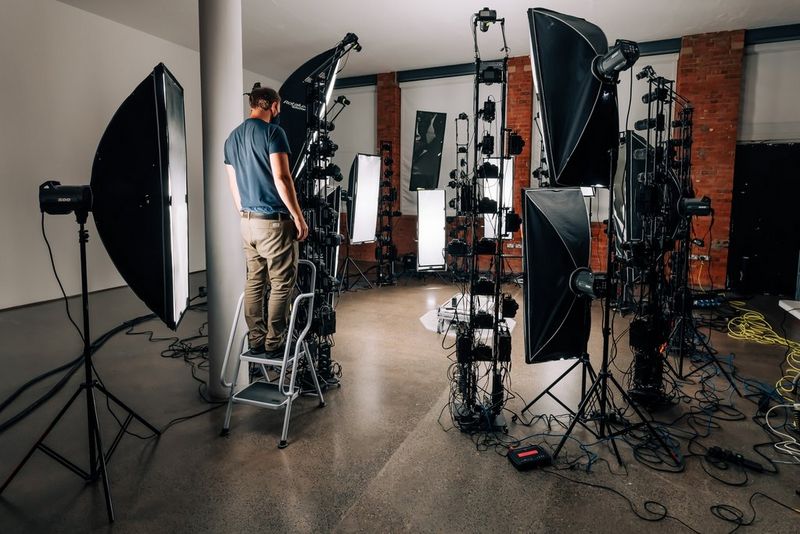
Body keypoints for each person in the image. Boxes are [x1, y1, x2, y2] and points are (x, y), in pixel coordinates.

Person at [224, 84, 309, 357]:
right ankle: (275, 343)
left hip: (247, 222)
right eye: (279, 106)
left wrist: (245, 215)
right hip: (273, 222)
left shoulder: (231, 138)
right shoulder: (274, 132)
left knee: (254, 281)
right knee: (282, 282)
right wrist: (298, 216)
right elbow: (282, 179)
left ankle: (256, 340)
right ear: (273, 105)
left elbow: (233, 184)